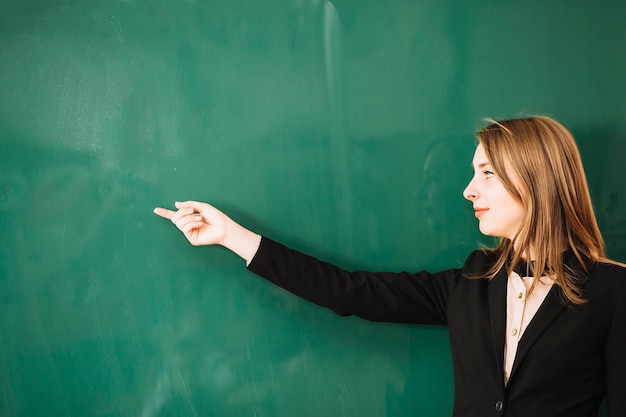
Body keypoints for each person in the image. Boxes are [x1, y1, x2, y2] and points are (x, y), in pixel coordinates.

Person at [153, 116, 625, 417]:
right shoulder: (470, 281)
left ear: (535, 179)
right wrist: (232, 236)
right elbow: (349, 291)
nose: (468, 190)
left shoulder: (613, 289)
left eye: (486, 173)